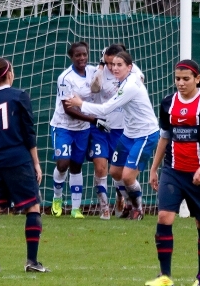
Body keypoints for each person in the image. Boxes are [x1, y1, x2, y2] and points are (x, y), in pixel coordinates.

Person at [145, 59, 200, 286]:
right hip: (173, 171)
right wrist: (154, 168)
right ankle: (164, 276)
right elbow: (165, 136)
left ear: (197, 79)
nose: (181, 83)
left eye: (186, 79)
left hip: (199, 173)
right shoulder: (168, 103)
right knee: (164, 217)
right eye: (177, 78)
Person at [0, 57, 48, 273]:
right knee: (32, 207)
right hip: (17, 159)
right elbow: (28, 133)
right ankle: (31, 262)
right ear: (9, 74)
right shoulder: (19, 96)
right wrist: (36, 163)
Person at [66, 51, 159, 220]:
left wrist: (80, 103)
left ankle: (138, 209)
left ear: (129, 67)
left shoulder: (129, 85)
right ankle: (127, 205)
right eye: (112, 65)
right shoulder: (130, 76)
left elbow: (105, 109)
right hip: (129, 133)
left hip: (145, 134)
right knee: (115, 172)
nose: (114, 68)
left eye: (119, 65)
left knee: (128, 176)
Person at [49, 41, 108, 219]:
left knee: (76, 165)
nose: (82, 58)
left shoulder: (92, 72)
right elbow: (69, 109)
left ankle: (76, 208)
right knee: (63, 163)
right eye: (77, 55)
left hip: (82, 128)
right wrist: (94, 119)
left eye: (84, 54)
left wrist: (104, 60)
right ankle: (57, 198)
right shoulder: (65, 78)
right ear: (71, 57)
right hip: (63, 126)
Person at [89, 44, 145, 219]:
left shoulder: (133, 72)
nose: (112, 67)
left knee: (118, 171)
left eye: (115, 63)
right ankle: (104, 208)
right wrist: (100, 67)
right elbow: (94, 88)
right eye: (108, 63)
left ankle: (128, 201)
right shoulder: (101, 70)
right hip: (100, 126)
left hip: (121, 128)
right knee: (100, 167)